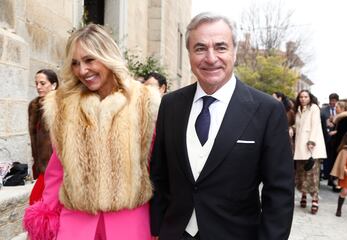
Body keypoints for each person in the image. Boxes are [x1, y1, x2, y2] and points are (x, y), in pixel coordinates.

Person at [150, 12, 294, 240]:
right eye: (200, 48)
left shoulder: (267, 110)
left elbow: (279, 193)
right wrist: (156, 229)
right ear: (188, 54)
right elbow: (160, 176)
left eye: (220, 47)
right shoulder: (170, 104)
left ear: (234, 52)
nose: (210, 57)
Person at [23, 24, 160, 240]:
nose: (82, 70)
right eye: (75, 63)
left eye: (89, 60)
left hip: (130, 222)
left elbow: (156, 166)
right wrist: (47, 215)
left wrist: (159, 224)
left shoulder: (144, 101)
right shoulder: (64, 105)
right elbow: (57, 170)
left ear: (107, 56)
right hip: (76, 223)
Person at [293, 90, 327, 215]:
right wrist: (291, 128)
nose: (303, 99)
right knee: (302, 173)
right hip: (300, 148)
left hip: (312, 147)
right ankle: (303, 195)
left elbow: (316, 125)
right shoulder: (298, 110)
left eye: (305, 96)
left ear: (310, 97)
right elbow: (298, 126)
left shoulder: (314, 108)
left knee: (313, 175)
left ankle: (315, 199)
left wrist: (312, 141)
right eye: (301, 96)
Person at [28, 69, 59, 205]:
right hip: (42, 166)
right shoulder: (34, 106)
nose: (38, 87)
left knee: (38, 201)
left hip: (56, 166)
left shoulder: (59, 105)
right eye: (36, 84)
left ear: (54, 85)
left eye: (42, 83)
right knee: (37, 202)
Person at [328, 101, 347, 191]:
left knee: (340, 163)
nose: (335, 109)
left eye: (337, 107)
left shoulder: (345, 118)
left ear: (342, 109)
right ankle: (334, 181)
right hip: (339, 143)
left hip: (342, 144)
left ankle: (338, 184)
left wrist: (335, 132)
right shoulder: (341, 118)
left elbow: (345, 132)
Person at [321, 93, 339, 181]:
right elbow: (322, 121)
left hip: (336, 137)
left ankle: (332, 174)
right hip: (326, 136)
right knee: (326, 156)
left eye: (334, 101)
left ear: (337, 101)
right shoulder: (323, 110)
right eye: (331, 101)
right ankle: (326, 173)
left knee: (333, 156)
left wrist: (334, 122)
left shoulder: (339, 110)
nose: (333, 103)